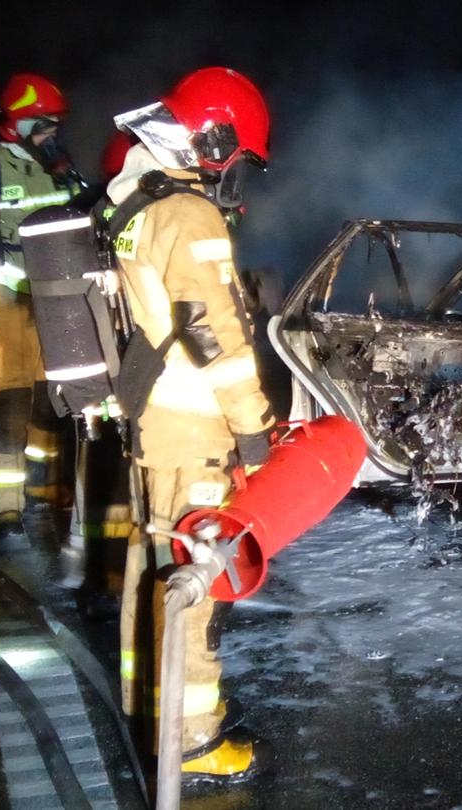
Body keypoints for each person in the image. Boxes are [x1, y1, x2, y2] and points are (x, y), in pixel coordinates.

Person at [105, 66, 276, 782]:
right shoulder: (189, 214)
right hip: (194, 423)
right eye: (236, 160)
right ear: (213, 137)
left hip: (152, 420)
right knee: (195, 579)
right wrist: (256, 431)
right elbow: (219, 338)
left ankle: (148, 705)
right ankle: (195, 744)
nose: (236, 178)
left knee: (151, 564)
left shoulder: (137, 199)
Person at [0, 72, 85, 540]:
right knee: (4, 405)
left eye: (54, 126)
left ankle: (46, 487)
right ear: (18, 123)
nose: (52, 135)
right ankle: (5, 507)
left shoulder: (58, 168)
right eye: (43, 125)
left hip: (56, 306)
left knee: (54, 401)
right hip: (4, 304)